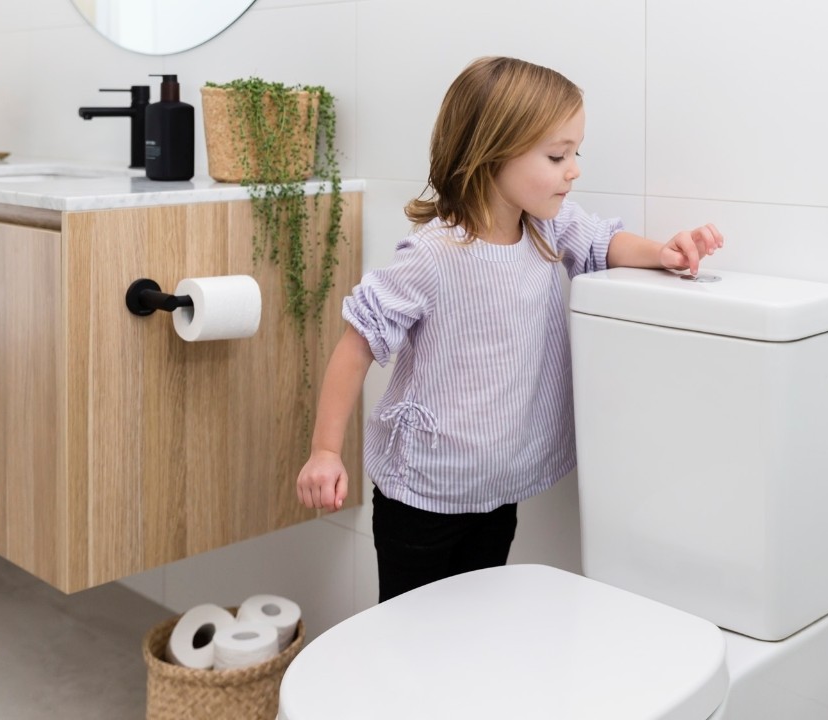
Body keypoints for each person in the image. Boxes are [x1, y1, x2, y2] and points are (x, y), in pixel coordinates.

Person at [296, 56, 723, 602]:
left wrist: (662, 251)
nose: (574, 169)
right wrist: (326, 451)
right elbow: (358, 342)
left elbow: (602, 244)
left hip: (497, 485)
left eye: (576, 153)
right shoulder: (435, 254)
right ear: (490, 154)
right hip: (423, 493)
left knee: (480, 621)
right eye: (556, 155)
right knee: (411, 635)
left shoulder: (545, 227)